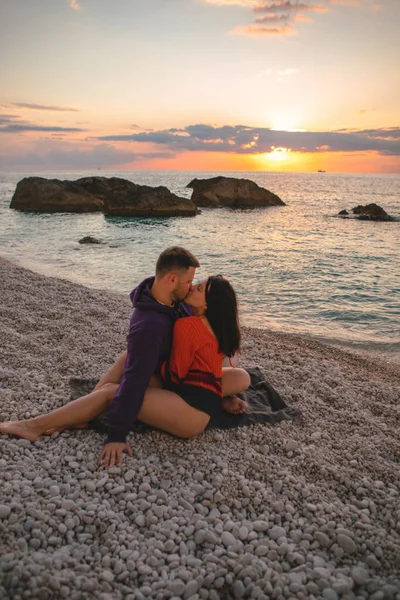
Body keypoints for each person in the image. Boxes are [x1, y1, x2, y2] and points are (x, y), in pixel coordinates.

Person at [0, 247, 249, 468]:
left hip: (189, 402)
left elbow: (175, 371)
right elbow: (140, 379)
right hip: (187, 394)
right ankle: (50, 421)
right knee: (118, 384)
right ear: (173, 280)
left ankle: (61, 418)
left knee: (114, 389)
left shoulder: (179, 305)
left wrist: (116, 436)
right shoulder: (155, 324)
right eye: (190, 282)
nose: (191, 287)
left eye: (196, 285)